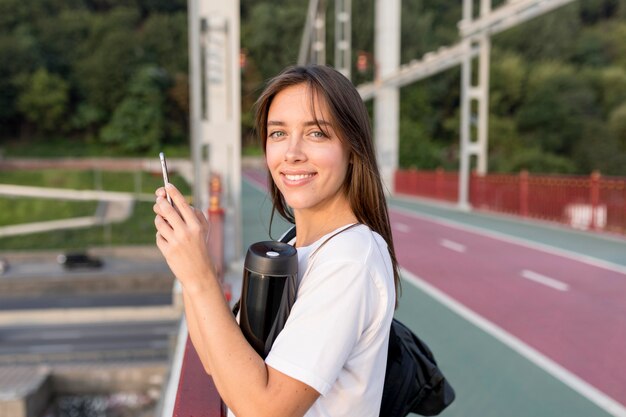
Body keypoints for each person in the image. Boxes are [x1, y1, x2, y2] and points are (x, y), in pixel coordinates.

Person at [153, 65, 401, 417]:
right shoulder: (295, 242)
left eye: (316, 134)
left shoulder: (349, 260)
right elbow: (216, 361)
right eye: (278, 133)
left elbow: (264, 410)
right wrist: (193, 263)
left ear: (353, 147)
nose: (292, 153)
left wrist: (200, 276)